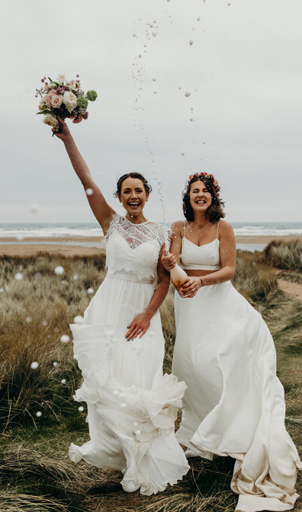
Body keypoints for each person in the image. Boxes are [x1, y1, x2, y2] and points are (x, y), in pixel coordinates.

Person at [53, 118, 189, 495]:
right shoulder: (109, 224)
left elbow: (165, 281)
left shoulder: (164, 234)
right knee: (106, 381)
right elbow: (86, 180)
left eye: (138, 191)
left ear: (147, 195)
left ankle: (141, 459)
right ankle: (116, 455)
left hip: (142, 313)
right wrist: (68, 139)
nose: (132, 196)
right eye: (126, 191)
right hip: (108, 309)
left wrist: (147, 314)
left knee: (139, 379)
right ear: (119, 196)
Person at [161, 172, 302, 512]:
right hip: (189, 305)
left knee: (216, 362)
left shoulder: (223, 228)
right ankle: (202, 430)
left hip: (219, 302)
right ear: (188, 197)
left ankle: (232, 428)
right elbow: (176, 263)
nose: (200, 195)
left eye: (205, 191)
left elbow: (228, 270)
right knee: (189, 364)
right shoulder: (178, 228)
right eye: (195, 191)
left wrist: (202, 282)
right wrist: (170, 266)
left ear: (213, 197)